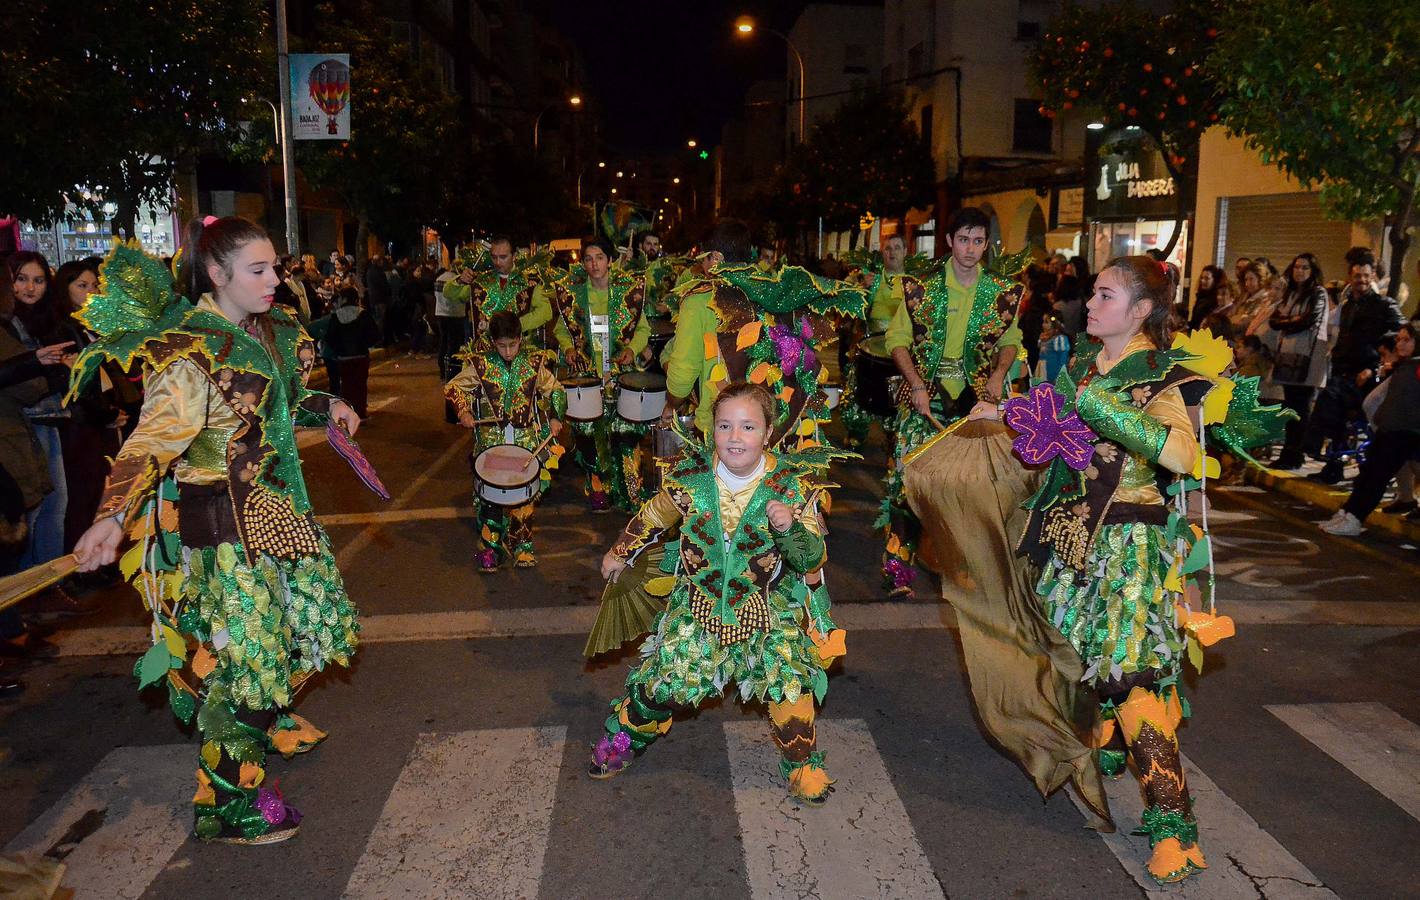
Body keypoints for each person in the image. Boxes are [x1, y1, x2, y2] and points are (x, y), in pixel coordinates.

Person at [978, 256, 1281, 884]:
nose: (1090, 304)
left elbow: (1181, 454)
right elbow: (1053, 419)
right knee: (1080, 657)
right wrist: (1000, 416)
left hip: (1128, 553)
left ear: (1141, 311)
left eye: (1105, 294)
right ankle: (1112, 746)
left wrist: (1103, 410)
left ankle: (1177, 829)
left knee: (1131, 678)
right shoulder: (1092, 365)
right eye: (1092, 293)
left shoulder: (1162, 375)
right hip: (1076, 538)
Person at [70, 218, 362, 846]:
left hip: (281, 517)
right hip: (227, 534)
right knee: (252, 666)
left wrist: (326, 406)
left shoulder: (265, 331)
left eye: (275, 268)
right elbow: (149, 442)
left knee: (298, 641)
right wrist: (111, 515)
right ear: (216, 275)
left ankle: (265, 725)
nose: (274, 280)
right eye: (258, 270)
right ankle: (227, 800)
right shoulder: (191, 354)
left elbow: (282, 400)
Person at [587, 382, 847, 805]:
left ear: (767, 434)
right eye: (725, 426)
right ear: (713, 432)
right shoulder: (690, 481)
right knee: (661, 686)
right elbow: (654, 513)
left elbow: (812, 556)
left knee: (791, 690)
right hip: (699, 609)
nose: (735, 437)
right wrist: (621, 550)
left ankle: (802, 763)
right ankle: (623, 739)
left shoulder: (791, 487)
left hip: (766, 611)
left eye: (748, 427)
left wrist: (789, 528)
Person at [881, 206, 1025, 596]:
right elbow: (896, 340)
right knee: (907, 479)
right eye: (964, 239)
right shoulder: (920, 288)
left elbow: (1012, 341)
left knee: (974, 484)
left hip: (975, 401)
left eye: (978, 241)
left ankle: (965, 565)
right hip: (924, 397)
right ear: (949, 241)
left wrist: (997, 374)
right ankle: (899, 566)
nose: (970, 248)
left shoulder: (1001, 293)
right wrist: (916, 384)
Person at [660, 220, 864, 447]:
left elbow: (682, 375)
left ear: (716, 257)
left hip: (725, 432)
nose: (703, 268)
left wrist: (671, 404)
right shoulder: (773, 289)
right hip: (778, 424)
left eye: (704, 259)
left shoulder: (701, 300)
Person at [445, 311, 565, 570]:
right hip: (491, 441)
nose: (508, 351)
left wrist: (555, 416)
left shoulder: (534, 364)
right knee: (490, 496)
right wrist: (464, 410)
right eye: (502, 346)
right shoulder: (480, 365)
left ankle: (522, 545)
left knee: (524, 497)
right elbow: (453, 388)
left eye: (513, 344)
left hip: (524, 441)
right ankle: (490, 548)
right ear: (493, 342)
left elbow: (555, 389)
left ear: (521, 339)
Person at [552, 237, 650, 512]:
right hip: (587, 374)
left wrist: (632, 349)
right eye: (588, 258)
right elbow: (561, 329)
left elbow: (642, 329)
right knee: (588, 434)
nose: (594, 264)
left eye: (599, 257)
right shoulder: (572, 296)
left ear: (609, 261)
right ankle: (598, 489)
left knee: (626, 433)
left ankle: (631, 492)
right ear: (583, 263)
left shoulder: (629, 293)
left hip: (620, 372)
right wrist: (569, 347)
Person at [1305, 255, 1404, 482]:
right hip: (1344, 371)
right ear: (1350, 277)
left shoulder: (1384, 305)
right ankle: (1332, 463)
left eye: (1365, 276)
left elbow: (1402, 336)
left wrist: (1376, 366)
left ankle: (1311, 447)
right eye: (1357, 275)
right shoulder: (1348, 306)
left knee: (1329, 399)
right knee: (1335, 411)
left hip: (1367, 375)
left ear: (1373, 277)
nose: (1361, 280)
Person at [1322, 323, 1420, 534]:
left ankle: (1355, 519)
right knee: (1368, 474)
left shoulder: (1416, 367)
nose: (1400, 344)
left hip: (1405, 431)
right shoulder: (1404, 365)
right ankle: (1348, 512)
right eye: (1399, 340)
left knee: (1377, 477)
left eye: (1406, 340)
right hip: (1389, 429)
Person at [839, 233, 918, 449]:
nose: (892, 252)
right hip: (869, 348)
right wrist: (863, 292)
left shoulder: (914, 285)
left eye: (897, 247)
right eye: (887, 248)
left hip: (900, 351)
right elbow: (852, 313)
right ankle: (856, 433)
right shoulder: (871, 279)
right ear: (882, 253)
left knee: (896, 400)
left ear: (905, 252)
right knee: (858, 395)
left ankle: (895, 437)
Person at [443, 236, 554, 351]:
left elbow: (545, 312)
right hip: (484, 352)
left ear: (514, 256)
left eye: (503, 257)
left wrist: (515, 326)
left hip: (518, 351)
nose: (498, 262)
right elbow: (449, 294)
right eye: (494, 257)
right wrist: (460, 280)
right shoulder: (481, 281)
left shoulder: (529, 283)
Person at [311, 286, 380, 419]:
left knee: (347, 385)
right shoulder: (363, 314)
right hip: (361, 355)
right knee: (360, 385)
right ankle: (360, 413)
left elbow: (331, 337)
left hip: (343, 357)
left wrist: (339, 350)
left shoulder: (336, 316)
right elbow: (374, 335)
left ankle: (348, 413)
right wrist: (364, 345)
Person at [1187, 265, 1230, 331]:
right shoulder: (1201, 297)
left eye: (1207, 278)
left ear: (1214, 280)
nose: (1202, 281)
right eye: (1202, 278)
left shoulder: (1215, 300)